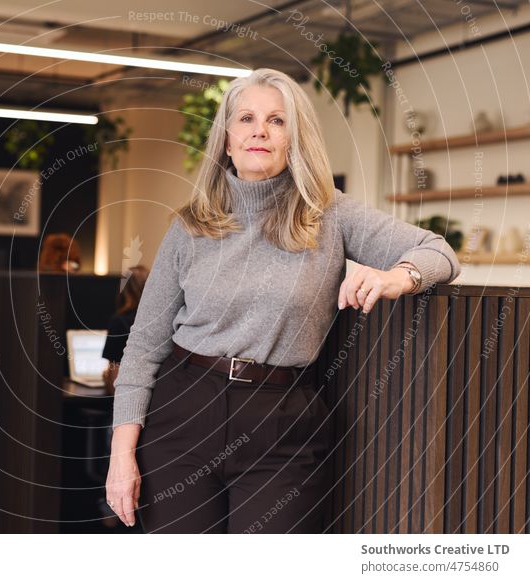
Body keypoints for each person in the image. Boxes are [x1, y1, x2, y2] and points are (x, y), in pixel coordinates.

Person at [104, 68, 462, 534]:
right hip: (182, 415)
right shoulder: (190, 226)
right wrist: (120, 457)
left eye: (276, 120)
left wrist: (398, 277)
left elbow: (441, 250)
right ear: (227, 140)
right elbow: (144, 347)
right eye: (246, 118)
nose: (259, 130)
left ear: (294, 139)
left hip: (281, 423)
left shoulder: (330, 213)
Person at [101, 265, 150, 395]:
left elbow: (115, 375)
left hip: (128, 396)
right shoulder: (157, 321)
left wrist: (106, 378)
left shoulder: (119, 322)